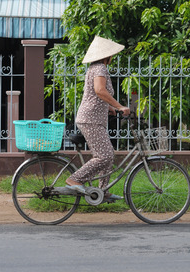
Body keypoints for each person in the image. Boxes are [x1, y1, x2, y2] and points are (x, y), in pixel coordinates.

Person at [65, 36, 130, 202]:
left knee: (107, 154)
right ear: (106, 55)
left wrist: (109, 109)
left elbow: (94, 95)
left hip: (94, 118)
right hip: (90, 119)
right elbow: (100, 91)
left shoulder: (96, 68)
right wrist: (119, 106)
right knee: (105, 156)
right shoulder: (100, 68)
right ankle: (75, 179)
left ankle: (102, 190)